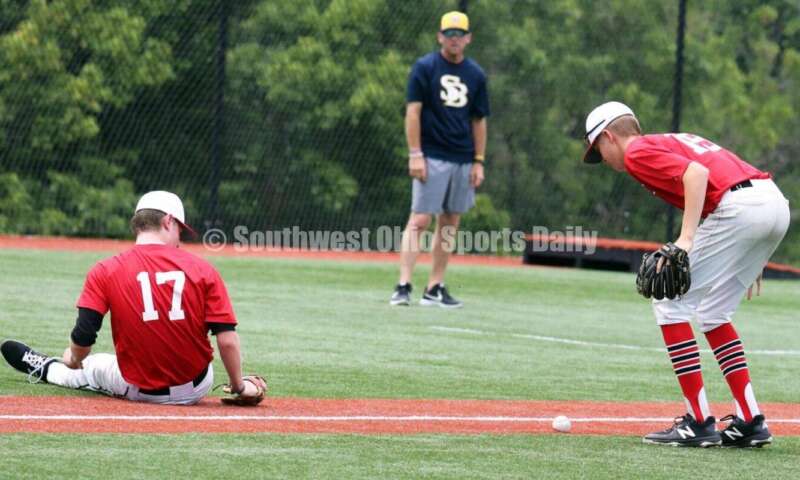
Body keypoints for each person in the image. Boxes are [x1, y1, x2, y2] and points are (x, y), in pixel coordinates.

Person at [583, 101, 790, 447]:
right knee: (713, 312)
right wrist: (749, 252)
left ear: (609, 137)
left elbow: (697, 175)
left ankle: (697, 421)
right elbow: (716, 176)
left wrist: (686, 239)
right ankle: (750, 420)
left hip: (740, 209)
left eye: (598, 150)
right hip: (772, 205)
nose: (602, 159)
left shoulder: (637, 152)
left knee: (668, 303)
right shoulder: (670, 140)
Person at [1, 191, 263, 405]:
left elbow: (83, 336)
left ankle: (48, 368)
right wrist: (239, 386)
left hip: (138, 390)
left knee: (90, 366)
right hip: (196, 388)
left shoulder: (106, 269)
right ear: (168, 221)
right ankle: (57, 367)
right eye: (179, 231)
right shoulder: (203, 268)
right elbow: (227, 341)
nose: (179, 239)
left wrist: (74, 359)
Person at [390, 10, 490, 308]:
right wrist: (415, 154)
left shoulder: (476, 75)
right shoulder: (425, 67)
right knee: (420, 218)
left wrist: (479, 160)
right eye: (449, 34)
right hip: (431, 154)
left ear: (468, 38)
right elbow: (413, 112)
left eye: (460, 34)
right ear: (440, 36)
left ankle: (435, 287)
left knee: (450, 222)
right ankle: (403, 284)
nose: (454, 39)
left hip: (462, 156)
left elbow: (479, 120)